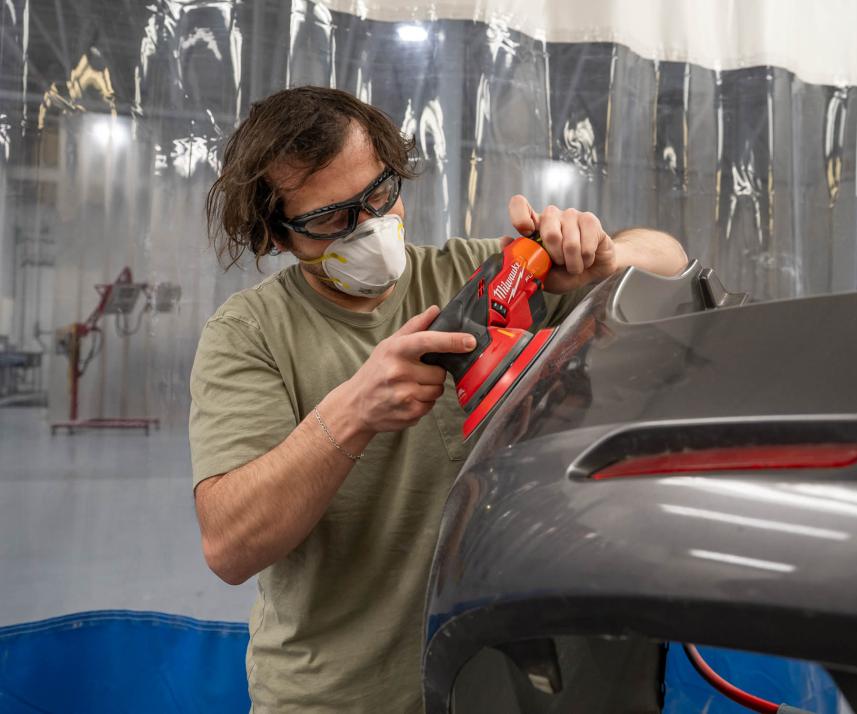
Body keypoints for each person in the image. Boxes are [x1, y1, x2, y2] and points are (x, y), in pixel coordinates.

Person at [190, 85, 688, 713]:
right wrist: (352, 414)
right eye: (331, 219)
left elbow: (670, 260)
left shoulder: (475, 277)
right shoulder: (249, 332)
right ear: (277, 235)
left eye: (379, 193)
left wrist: (608, 254)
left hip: (490, 689)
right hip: (338, 699)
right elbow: (230, 548)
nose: (369, 224)